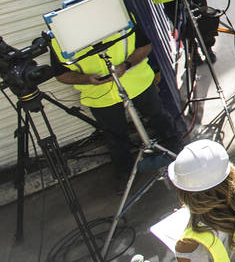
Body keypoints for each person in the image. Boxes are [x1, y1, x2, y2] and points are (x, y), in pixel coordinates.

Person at [50, 20, 183, 179]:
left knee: (158, 116)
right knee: (115, 137)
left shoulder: (118, 16)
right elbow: (61, 75)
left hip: (137, 82)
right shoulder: (58, 40)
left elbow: (145, 46)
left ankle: (178, 150)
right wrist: (86, 79)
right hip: (101, 96)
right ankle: (125, 173)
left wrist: (126, 65)